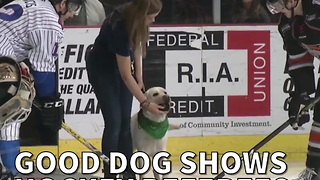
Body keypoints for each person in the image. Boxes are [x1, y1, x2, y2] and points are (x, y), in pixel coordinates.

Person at [0, 0, 82, 177]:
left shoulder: (35, 4)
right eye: (74, 7)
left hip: (4, 55)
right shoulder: (49, 22)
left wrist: (19, 63)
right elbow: (43, 70)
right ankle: (11, 172)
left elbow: (10, 34)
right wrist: (50, 101)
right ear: (62, 3)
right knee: (11, 112)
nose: (74, 14)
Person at [85, 0, 164, 178]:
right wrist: (145, 103)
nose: (154, 21)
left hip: (121, 68)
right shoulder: (120, 26)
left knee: (125, 124)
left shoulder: (135, 20)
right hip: (102, 70)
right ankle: (111, 172)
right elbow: (125, 74)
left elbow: (137, 46)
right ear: (142, 15)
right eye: (152, 17)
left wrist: (140, 77)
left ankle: (129, 172)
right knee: (114, 122)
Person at [266, 0, 320, 180]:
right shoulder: (287, 26)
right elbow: (300, 62)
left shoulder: (317, 11)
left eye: (281, 6)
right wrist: (301, 96)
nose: (280, 12)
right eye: (276, 8)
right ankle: (314, 171)